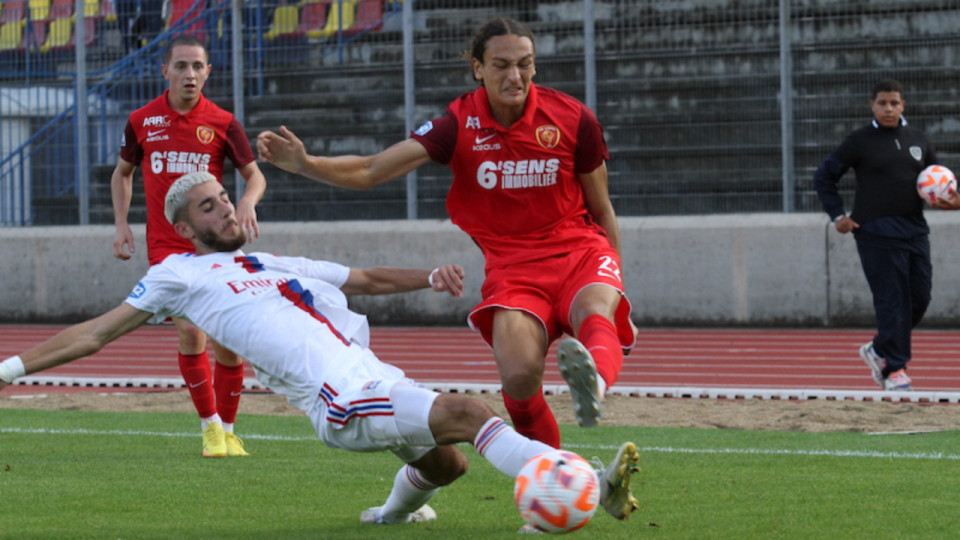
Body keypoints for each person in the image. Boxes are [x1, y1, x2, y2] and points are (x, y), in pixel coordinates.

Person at [0, 172, 640, 529]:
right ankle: (572, 483)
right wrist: (9, 368)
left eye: (225, 197)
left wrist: (426, 277)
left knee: (449, 467)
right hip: (338, 397)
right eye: (209, 207)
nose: (226, 208)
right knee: (471, 412)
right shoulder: (178, 276)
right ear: (187, 228)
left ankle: (387, 515)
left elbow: (360, 278)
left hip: (371, 376)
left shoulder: (271, 260)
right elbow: (96, 332)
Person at [256, 17, 637, 449]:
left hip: (580, 252)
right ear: (478, 68)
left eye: (525, 64)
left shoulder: (572, 118)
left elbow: (601, 206)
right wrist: (307, 164)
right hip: (514, 270)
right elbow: (370, 169)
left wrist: (618, 282)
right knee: (517, 379)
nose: (515, 76)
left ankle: (596, 386)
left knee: (594, 312)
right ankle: (552, 479)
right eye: (501, 65)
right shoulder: (458, 125)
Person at [110, 34, 268, 457]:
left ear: (208, 72)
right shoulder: (142, 120)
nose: (190, 74)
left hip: (215, 246)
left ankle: (230, 428)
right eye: (181, 66)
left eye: (197, 66)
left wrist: (248, 202)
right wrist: (121, 225)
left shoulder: (222, 121)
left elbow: (254, 175)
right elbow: (122, 173)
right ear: (165, 72)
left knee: (228, 340)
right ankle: (210, 428)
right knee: (191, 330)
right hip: (168, 247)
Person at [813, 78, 939, 391]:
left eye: (894, 103)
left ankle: (879, 348)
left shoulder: (919, 139)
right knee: (892, 299)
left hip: (914, 229)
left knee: (920, 298)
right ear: (872, 105)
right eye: (882, 103)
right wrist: (838, 215)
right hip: (875, 231)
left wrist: (952, 199)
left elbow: (940, 183)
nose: (888, 108)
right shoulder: (860, 140)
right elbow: (824, 176)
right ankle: (894, 369)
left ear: (903, 105)